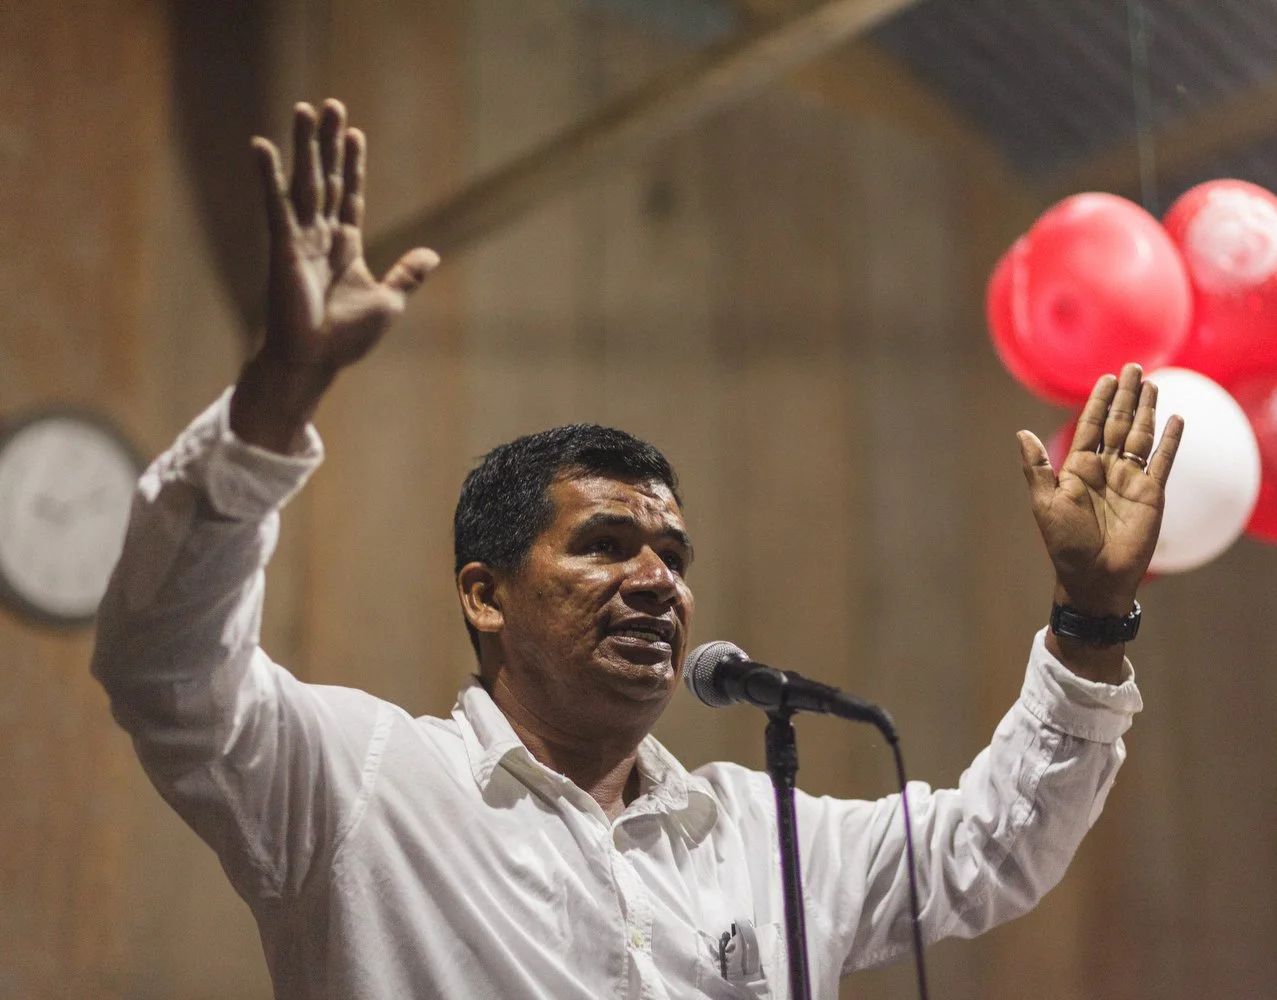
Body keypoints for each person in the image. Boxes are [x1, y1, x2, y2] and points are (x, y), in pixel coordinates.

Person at [92, 99, 1182, 1000]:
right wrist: (276, 398)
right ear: (485, 593)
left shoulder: (759, 835)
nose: (660, 581)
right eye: (607, 544)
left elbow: (993, 849)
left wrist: (1088, 617)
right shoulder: (360, 786)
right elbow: (169, 671)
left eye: (674, 553)